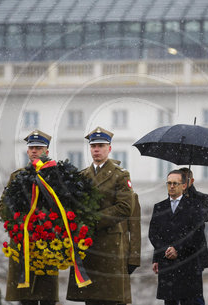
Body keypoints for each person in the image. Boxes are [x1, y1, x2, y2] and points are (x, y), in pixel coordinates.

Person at [67, 126, 135, 305]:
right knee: (91, 298)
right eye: (93, 146)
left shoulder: (120, 176)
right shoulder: (82, 176)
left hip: (109, 244)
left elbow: (125, 207)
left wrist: (93, 219)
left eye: (101, 145)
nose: (96, 149)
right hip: (86, 245)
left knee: (109, 297)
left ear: (109, 148)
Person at [0, 130, 58, 305]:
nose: (34, 151)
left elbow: (66, 209)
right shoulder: (17, 176)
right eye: (31, 148)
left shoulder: (57, 176)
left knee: (47, 297)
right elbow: (2, 206)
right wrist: (19, 219)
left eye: (38, 148)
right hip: (23, 243)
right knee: (25, 299)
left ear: (46, 150)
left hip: (47, 244)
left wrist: (44, 222)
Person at [148, 169, 204, 305]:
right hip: (168, 264)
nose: (171, 186)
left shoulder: (195, 206)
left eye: (175, 183)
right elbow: (153, 234)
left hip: (188, 263)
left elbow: (197, 234)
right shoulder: (159, 207)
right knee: (170, 301)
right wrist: (164, 251)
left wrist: (177, 249)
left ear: (184, 186)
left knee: (190, 301)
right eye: (169, 183)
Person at [179, 167, 208, 305]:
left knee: (195, 295)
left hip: (194, 253)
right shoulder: (174, 198)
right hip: (176, 254)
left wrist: (188, 202)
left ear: (191, 181)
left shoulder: (202, 198)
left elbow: (204, 217)